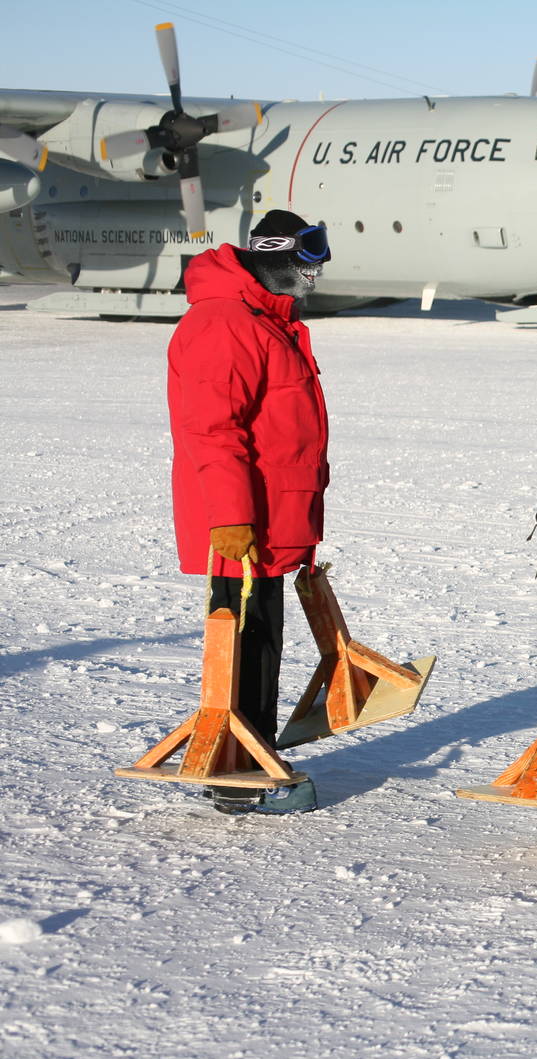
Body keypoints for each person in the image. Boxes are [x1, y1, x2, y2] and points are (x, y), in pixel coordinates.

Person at [165, 209, 333, 814]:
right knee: (242, 644)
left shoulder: (269, 322)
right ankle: (237, 780)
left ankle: (250, 756)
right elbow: (212, 430)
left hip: (272, 515)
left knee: (262, 641)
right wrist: (230, 517)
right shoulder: (226, 323)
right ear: (278, 256)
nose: (317, 273)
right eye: (309, 258)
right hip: (241, 523)